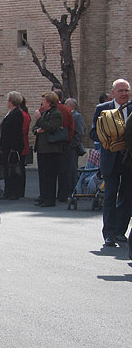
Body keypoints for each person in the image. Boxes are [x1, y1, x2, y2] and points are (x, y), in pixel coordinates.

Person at [89, 78, 132, 246]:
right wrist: (106, 135)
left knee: (127, 197)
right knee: (110, 196)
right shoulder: (102, 109)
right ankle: (109, 233)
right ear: (112, 93)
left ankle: (121, 231)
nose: (124, 94)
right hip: (111, 160)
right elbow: (93, 133)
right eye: (120, 91)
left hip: (128, 160)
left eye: (126, 90)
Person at [33, 92, 65, 207]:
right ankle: (43, 196)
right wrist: (37, 130)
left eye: (45, 101)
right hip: (42, 149)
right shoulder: (45, 113)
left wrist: (40, 120)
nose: (43, 103)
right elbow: (35, 127)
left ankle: (49, 199)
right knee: (42, 175)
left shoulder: (56, 114)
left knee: (50, 175)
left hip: (51, 149)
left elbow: (51, 127)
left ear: (50, 102)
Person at [0, 91, 25, 200]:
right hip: (6, 146)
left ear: (11, 101)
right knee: (8, 169)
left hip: (11, 147)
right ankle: (8, 191)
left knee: (12, 170)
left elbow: (16, 132)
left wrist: (14, 148)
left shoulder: (17, 113)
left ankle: (12, 192)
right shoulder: (10, 112)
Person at [53, 91, 75, 202]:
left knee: (50, 172)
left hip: (52, 144)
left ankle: (50, 195)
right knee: (63, 171)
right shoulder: (67, 110)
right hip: (64, 143)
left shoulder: (52, 110)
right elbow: (72, 127)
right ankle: (63, 194)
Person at [64, 98, 86, 194]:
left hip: (72, 148)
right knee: (67, 170)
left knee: (72, 170)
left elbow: (80, 133)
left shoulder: (77, 116)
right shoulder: (68, 116)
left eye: (65, 104)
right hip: (67, 148)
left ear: (70, 105)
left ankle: (73, 191)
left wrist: (72, 145)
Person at [19, 98, 31, 198]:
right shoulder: (23, 114)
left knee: (20, 168)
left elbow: (23, 130)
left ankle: (20, 190)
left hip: (22, 144)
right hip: (22, 144)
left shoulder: (24, 115)